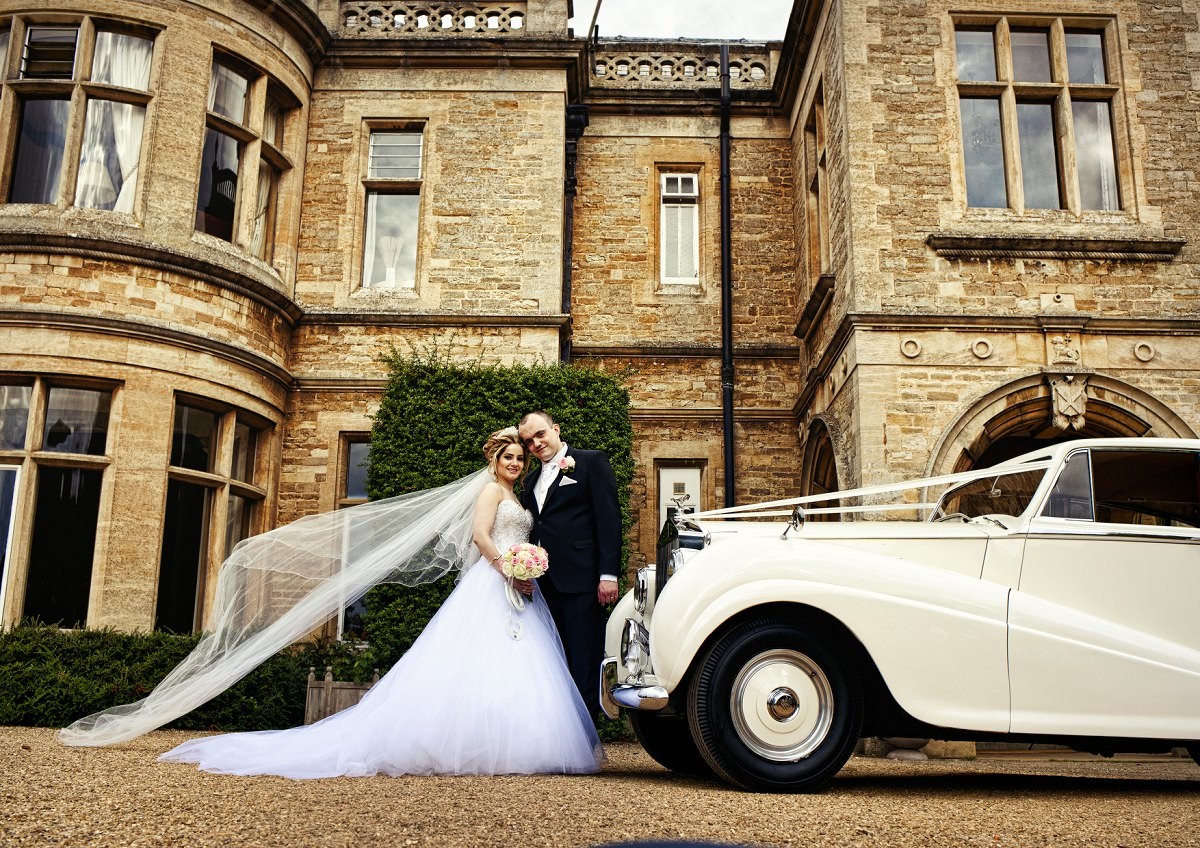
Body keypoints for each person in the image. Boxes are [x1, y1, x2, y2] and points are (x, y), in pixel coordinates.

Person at [66, 428, 604, 778]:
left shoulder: (526, 491)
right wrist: (508, 568)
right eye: (509, 455)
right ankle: (473, 744)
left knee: (512, 664)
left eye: (520, 455)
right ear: (495, 459)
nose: (515, 461)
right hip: (495, 582)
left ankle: (509, 745)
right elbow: (482, 537)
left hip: (518, 588)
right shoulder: (490, 492)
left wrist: (525, 570)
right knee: (475, 660)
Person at [518, 411, 621, 721]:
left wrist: (608, 574)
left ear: (556, 429)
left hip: (582, 580)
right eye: (528, 442)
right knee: (555, 661)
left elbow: (609, 520)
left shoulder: (590, 462)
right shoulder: (531, 479)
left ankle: (586, 738)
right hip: (544, 586)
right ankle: (563, 732)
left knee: (583, 659)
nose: (535, 444)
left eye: (540, 435)